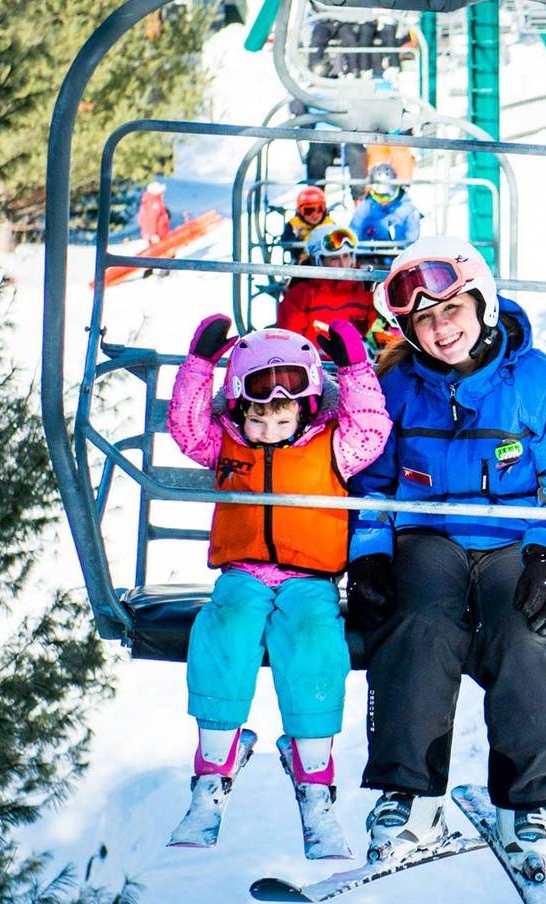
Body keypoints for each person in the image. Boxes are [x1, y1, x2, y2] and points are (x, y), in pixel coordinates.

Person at [346, 237, 546, 881]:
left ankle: (527, 803)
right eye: (424, 320)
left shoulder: (540, 383)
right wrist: (372, 553)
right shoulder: (398, 387)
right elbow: (371, 480)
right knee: (415, 623)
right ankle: (408, 798)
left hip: (516, 539)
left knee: (527, 632)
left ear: (482, 302)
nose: (441, 330)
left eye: (451, 310)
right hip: (428, 538)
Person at [163, 314, 391, 853]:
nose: (267, 430)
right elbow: (188, 426)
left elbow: (371, 430)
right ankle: (213, 769)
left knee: (315, 639)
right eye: (257, 418)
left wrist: (356, 367)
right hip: (243, 572)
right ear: (239, 406)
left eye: (281, 418)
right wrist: (200, 365)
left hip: (310, 577)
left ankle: (314, 780)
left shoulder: (333, 445)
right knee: (226, 624)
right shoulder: (223, 443)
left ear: (307, 405)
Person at [275, 226, 382, 342]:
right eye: (334, 259)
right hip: (315, 359)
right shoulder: (300, 295)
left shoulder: (367, 290)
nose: (343, 264)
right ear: (319, 261)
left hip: (359, 359)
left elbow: (379, 335)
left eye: (346, 256)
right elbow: (291, 341)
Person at [350, 163, 422, 251]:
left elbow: (412, 243)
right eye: (379, 196)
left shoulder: (409, 211)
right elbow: (353, 234)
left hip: (397, 258)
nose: (384, 201)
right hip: (367, 257)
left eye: (388, 196)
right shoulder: (365, 207)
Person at [279, 185, 334, 263]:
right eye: (308, 211)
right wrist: (297, 243)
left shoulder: (329, 223)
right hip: (302, 262)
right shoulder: (294, 224)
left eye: (319, 209)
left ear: (324, 209)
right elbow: (285, 241)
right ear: (299, 211)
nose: (314, 215)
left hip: (325, 262)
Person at [139, 180, 172, 246]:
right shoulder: (153, 203)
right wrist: (153, 234)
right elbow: (151, 219)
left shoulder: (155, 201)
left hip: (160, 234)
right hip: (157, 235)